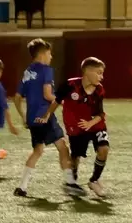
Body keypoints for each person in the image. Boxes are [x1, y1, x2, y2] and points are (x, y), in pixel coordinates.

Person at [12, 38, 84, 198]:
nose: (51, 57)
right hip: (45, 117)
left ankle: (22, 187)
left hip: (32, 119)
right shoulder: (46, 70)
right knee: (63, 147)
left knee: (37, 151)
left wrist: (23, 116)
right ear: (43, 54)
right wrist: (64, 101)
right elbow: (47, 94)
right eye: (50, 53)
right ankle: (70, 183)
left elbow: (17, 97)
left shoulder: (27, 72)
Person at [40, 56, 109, 197]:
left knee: (104, 148)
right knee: (76, 156)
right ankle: (72, 181)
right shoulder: (69, 85)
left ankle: (94, 180)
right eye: (98, 72)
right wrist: (47, 116)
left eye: (102, 73)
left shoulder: (99, 90)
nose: (101, 77)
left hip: (95, 125)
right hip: (76, 127)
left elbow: (101, 114)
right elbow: (56, 101)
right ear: (86, 71)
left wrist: (90, 123)